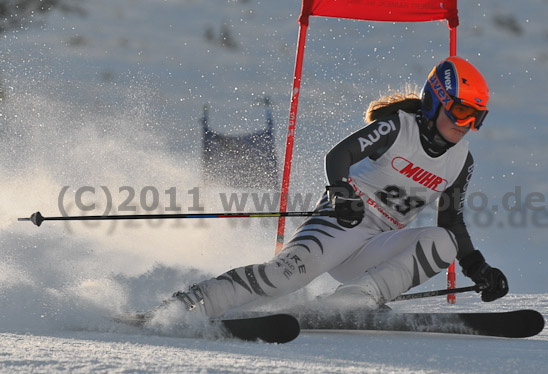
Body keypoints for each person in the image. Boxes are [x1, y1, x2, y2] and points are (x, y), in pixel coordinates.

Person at [173, 56, 509, 317]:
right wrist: (341, 191)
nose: (467, 125)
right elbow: (340, 154)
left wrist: (477, 267)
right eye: (462, 111)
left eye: (476, 117)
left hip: (375, 247)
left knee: (443, 242)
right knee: (284, 278)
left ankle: (354, 300)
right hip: (343, 222)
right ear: (436, 101)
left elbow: (450, 221)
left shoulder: (461, 161)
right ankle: (190, 304)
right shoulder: (397, 127)